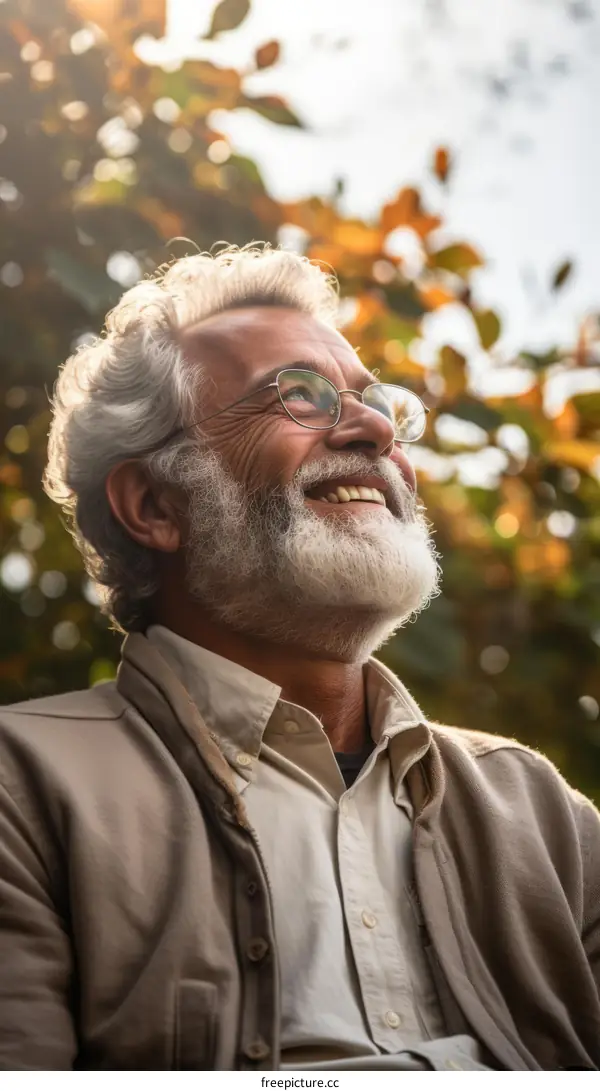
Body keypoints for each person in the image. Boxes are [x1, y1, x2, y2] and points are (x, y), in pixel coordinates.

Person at [0, 245, 598, 1073]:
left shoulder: (545, 813)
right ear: (153, 504)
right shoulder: (18, 783)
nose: (376, 428)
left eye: (379, 401)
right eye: (302, 396)